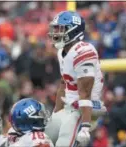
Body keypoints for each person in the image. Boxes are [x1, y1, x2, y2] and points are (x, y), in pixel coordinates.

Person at [45, 11, 106, 147]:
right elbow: (63, 84)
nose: (56, 32)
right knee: (46, 137)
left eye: (60, 29)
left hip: (88, 105)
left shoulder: (83, 51)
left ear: (73, 30)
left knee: (63, 142)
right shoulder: (62, 51)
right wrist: (56, 113)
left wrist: (85, 127)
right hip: (70, 104)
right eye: (55, 28)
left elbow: (85, 93)